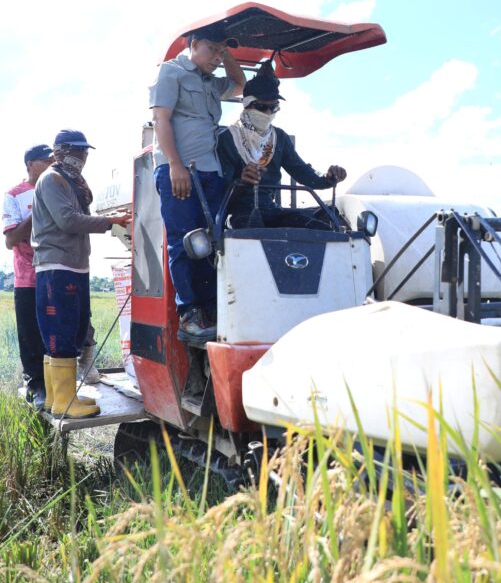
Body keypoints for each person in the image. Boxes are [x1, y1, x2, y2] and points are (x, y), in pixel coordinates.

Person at [150, 23, 246, 342]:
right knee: (185, 240)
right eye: (212, 49)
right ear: (194, 45)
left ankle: (212, 310)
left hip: (211, 171)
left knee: (213, 241)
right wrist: (175, 165)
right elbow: (160, 118)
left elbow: (240, 83)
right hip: (180, 170)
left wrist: (226, 51)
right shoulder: (171, 72)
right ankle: (190, 314)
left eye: (221, 51)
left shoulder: (211, 83)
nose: (217, 57)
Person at [32, 130, 131, 419]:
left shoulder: (70, 182)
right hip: (58, 266)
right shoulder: (52, 179)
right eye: (76, 150)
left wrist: (110, 222)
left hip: (71, 264)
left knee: (67, 332)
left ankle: (57, 398)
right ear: (60, 151)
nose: (82, 156)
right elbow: (68, 220)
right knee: (61, 333)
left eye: (84, 151)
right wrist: (111, 222)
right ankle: (64, 401)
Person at [217, 62, 346, 229]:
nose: (268, 113)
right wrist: (242, 181)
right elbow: (220, 193)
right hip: (237, 214)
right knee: (251, 231)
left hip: (271, 209)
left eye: (273, 107)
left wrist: (328, 178)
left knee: (319, 228)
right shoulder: (227, 139)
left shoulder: (279, 138)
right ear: (247, 105)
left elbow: (303, 172)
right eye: (262, 107)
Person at [3, 144, 53, 409]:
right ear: (31, 164)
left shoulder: (60, 187)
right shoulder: (14, 195)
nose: (51, 165)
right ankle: (36, 385)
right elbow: (11, 239)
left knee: (57, 332)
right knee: (31, 335)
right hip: (29, 278)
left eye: (53, 161)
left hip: (57, 273)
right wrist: (39, 211)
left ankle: (59, 385)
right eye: (46, 161)